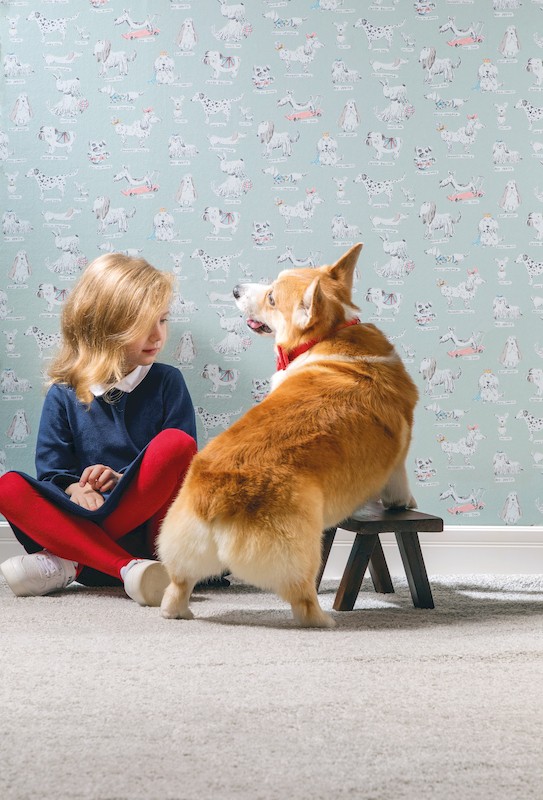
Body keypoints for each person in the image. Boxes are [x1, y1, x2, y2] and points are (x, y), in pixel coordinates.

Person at [0, 253, 198, 606]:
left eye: (163, 320)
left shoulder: (167, 381)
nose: (158, 335)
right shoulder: (64, 392)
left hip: (150, 537)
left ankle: (67, 564)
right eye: (142, 324)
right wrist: (76, 487)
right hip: (84, 529)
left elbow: (184, 472)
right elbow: (52, 473)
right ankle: (124, 568)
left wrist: (122, 479)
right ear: (104, 325)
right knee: (8, 486)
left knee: (176, 444)